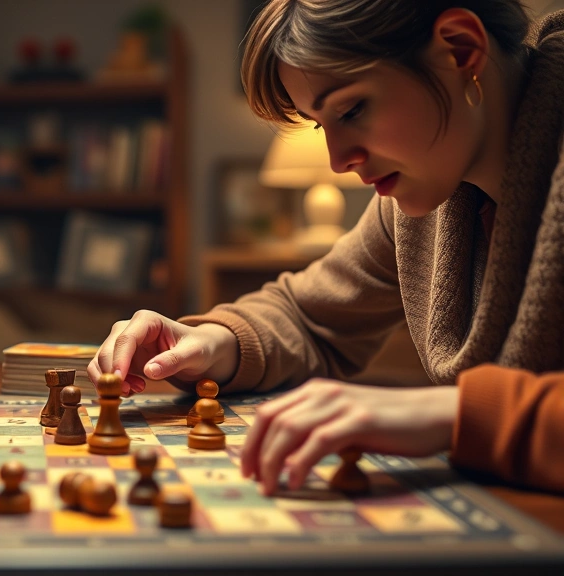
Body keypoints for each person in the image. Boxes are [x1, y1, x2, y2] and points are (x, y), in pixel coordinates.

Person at [89, 0, 564, 495]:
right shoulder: (419, 203)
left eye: (353, 108)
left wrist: (453, 412)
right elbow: (309, 315)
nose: (339, 161)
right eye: (321, 124)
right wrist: (213, 343)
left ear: (461, 50)